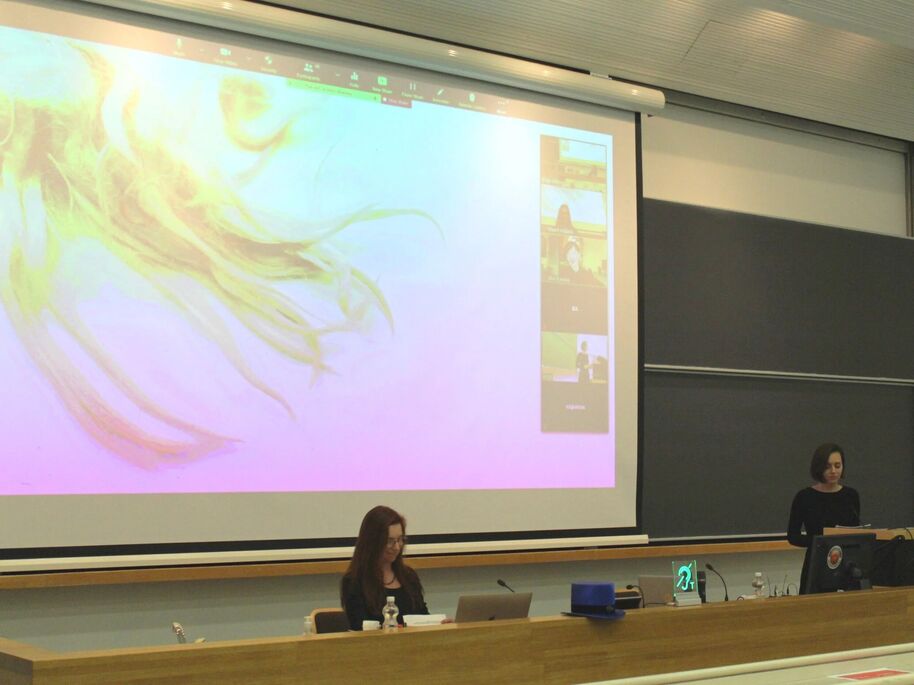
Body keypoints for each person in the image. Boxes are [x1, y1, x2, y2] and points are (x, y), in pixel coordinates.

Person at [787, 443, 861, 594]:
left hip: (847, 566)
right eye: (828, 466)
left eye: (837, 465)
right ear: (818, 467)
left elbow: (855, 531)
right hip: (817, 564)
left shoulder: (851, 496)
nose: (833, 471)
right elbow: (792, 536)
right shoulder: (804, 497)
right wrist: (819, 542)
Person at [341, 505, 429, 629]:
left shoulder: (409, 576)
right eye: (390, 541)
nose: (397, 547)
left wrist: (439, 624)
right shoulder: (354, 581)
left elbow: (423, 617)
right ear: (373, 542)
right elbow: (359, 628)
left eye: (400, 539)